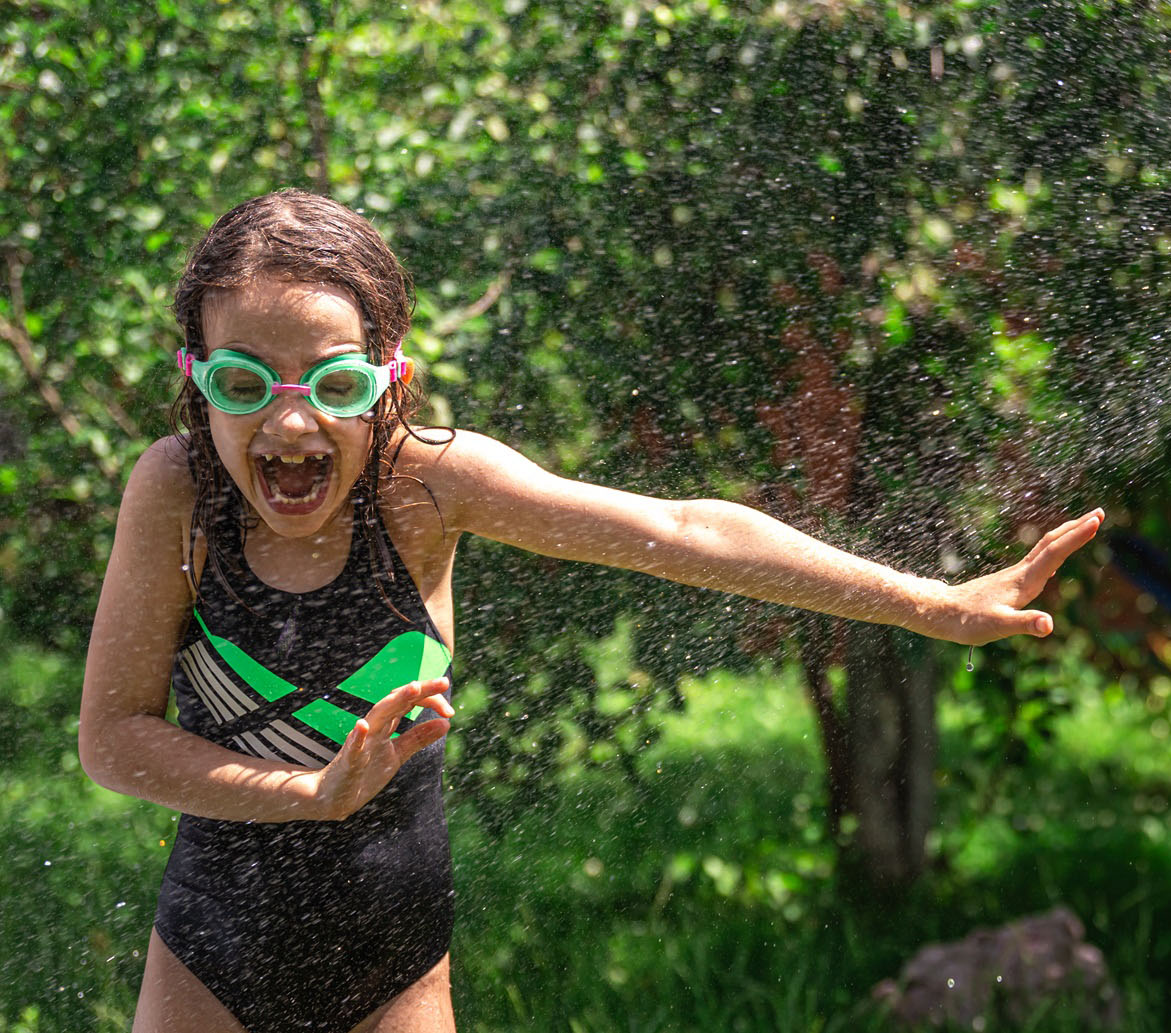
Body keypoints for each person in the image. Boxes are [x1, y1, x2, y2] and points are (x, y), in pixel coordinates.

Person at [78, 189, 1105, 1033]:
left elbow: (688, 530)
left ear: (388, 382)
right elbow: (112, 739)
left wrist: (929, 602)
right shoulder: (176, 492)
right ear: (196, 380)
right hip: (212, 949)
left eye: (334, 382)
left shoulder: (428, 488)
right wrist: (308, 793)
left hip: (391, 956)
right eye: (245, 380)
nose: (291, 418)